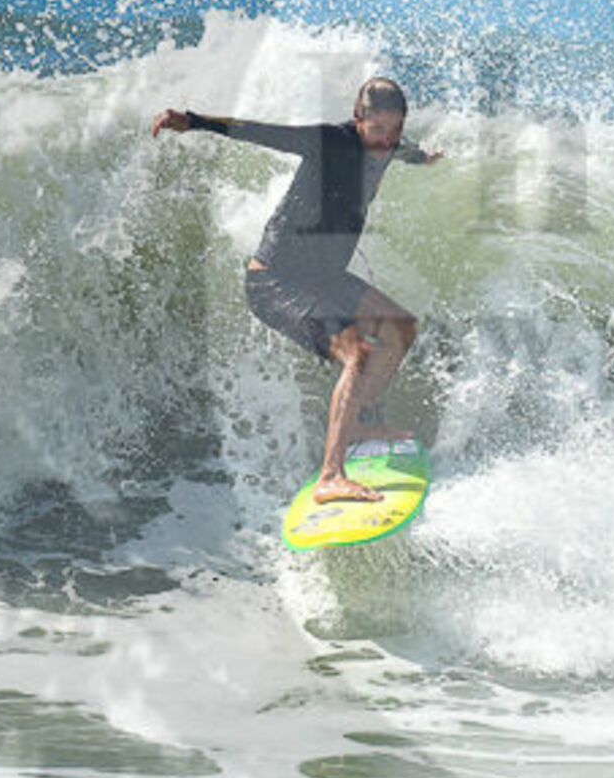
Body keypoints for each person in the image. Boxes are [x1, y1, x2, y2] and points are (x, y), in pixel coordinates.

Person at [151, 77, 444, 504]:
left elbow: (404, 150)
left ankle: (355, 424)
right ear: (357, 118)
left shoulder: (390, 145)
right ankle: (331, 476)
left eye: (395, 129)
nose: (386, 140)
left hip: (325, 277)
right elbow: (257, 131)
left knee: (400, 329)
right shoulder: (329, 141)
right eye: (378, 129)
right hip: (276, 281)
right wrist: (193, 121)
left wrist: (424, 157)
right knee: (358, 354)